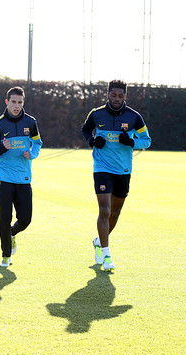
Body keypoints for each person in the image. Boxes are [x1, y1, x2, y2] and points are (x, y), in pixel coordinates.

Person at [81, 79, 151, 271]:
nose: (117, 98)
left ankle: (98, 241)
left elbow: (147, 141)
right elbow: (86, 130)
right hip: (102, 167)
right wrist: (93, 141)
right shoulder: (96, 114)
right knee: (104, 209)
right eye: (114, 95)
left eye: (121, 95)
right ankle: (106, 254)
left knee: (115, 212)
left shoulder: (134, 117)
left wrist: (130, 142)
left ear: (125, 96)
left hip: (123, 170)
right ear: (108, 95)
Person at [0, 86, 42, 267]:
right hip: (3, 176)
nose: (16, 106)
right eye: (13, 102)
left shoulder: (31, 122)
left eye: (19, 102)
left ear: (23, 102)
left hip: (23, 177)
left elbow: (38, 142)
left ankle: (11, 233)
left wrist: (31, 153)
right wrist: (3, 147)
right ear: (7, 102)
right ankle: (6, 255)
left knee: (25, 219)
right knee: (4, 216)